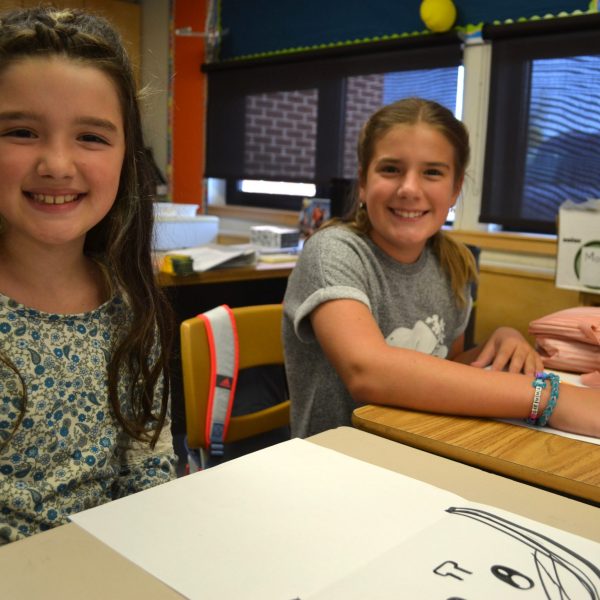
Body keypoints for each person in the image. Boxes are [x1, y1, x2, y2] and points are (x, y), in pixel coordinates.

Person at [283, 97, 600, 439]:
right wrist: (550, 397)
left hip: (422, 449)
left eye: (432, 172)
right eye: (390, 169)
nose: (409, 189)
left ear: (455, 189)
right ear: (363, 182)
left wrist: (499, 341)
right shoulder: (333, 251)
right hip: (335, 463)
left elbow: (445, 369)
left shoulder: (454, 262)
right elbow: (367, 371)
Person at [0, 6, 177, 545]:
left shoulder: (128, 302)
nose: (57, 163)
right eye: (21, 131)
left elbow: (150, 466)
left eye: (92, 138)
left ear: (127, 156)